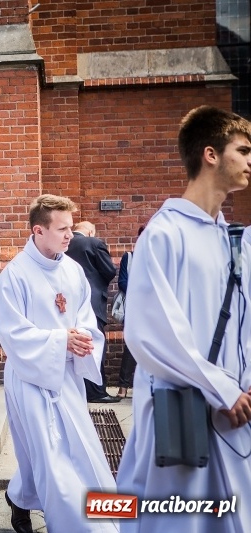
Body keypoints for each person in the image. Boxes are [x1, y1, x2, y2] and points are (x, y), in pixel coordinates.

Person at [116, 106, 251, 532]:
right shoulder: (164, 233)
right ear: (210, 154)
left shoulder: (233, 238)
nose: (250, 161)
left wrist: (243, 383)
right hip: (184, 408)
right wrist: (221, 387)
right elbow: (152, 332)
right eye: (243, 150)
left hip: (237, 408)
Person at [0, 194, 117, 533]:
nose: (70, 236)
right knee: (50, 455)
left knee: (73, 449)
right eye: (62, 229)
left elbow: (86, 319)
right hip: (30, 377)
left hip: (65, 377)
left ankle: (19, 497)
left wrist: (82, 338)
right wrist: (62, 340)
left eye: (71, 228)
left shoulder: (73, 270)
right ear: (38, 231)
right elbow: (13, 334)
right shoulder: (15, 275)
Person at [65, 220, 119, 403]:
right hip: (93, 301)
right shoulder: (94, 243)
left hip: (67, 302)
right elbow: (110, 270)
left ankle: (78, 388)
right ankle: (97, 392)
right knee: (93, 344)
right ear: (90, 231)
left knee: (74, 345)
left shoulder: (63, 243)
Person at [115, 225, 144, 399]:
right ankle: (123, 386)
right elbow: (122, 282)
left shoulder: (160, 258)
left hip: (154, 311)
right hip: (134, 309)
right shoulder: (130, 257)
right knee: (130, 347)